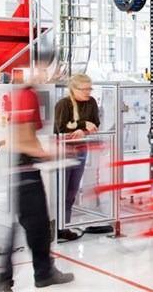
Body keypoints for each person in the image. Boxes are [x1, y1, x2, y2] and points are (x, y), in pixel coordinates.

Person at [0, 58, 74, 291]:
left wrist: (45, 152)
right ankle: (39, 274)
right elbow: (23, 140)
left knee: (23, 225)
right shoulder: (27, 95)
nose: (50, 75)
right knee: (37, 225)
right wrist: (49, 153)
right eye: (48, 69)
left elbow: (25, 136)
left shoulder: (22, 93)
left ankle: (13, 277)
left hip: (19, 169)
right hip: (24, 170)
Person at [53, 74, 100, 241]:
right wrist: (83, 125)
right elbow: (61, 128)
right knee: (61, 191)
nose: (88, 92)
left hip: (80, 150)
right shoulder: (63, 104)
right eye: (84, 89)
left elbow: (95, 124)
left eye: (89, 89)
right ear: (73, 89)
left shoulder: (91, 102)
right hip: (63, 152)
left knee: (72, 192)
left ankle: (64, 226)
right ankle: (57, 227)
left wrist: (82, 131)